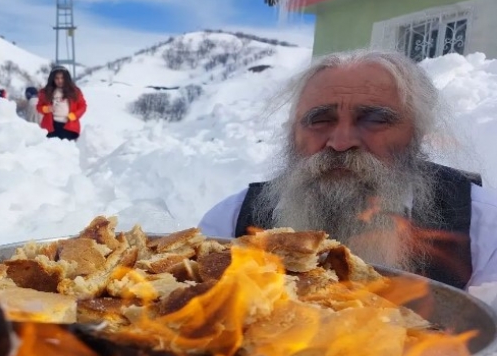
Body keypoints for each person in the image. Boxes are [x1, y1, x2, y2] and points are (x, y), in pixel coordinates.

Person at [199, 49, 497, 290]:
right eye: (320, 119)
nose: (340, 143)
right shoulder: (231, 222)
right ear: (293, 134)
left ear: (416, 134)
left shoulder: (483, 228)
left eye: (375, 120)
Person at [37, 66, 87, 140]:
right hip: (51, 127)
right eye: (57, 78)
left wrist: (74, 115)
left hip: (69, 127)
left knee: (68, 150)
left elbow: (83, 106)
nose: (60, 80)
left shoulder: (75, 91)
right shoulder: (46, 92)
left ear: (66, 78)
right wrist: (46, 109)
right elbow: (39, 107)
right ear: (53, 79)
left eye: (62, 78)